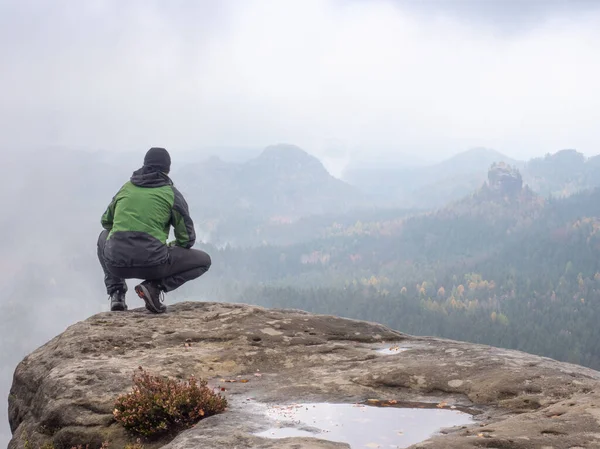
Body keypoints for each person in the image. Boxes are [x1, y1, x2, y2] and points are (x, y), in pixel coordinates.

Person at [97, 147, 211, 313]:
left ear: (144, 165)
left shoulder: (126, 188)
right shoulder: (171, 194)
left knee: (103, 237)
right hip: (154, 265)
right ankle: (154, 287)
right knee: (204, 261)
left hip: (116, 265)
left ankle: (117, 294)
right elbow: (187, 239)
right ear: (168, 169)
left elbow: (106, 222)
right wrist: (167, 246)